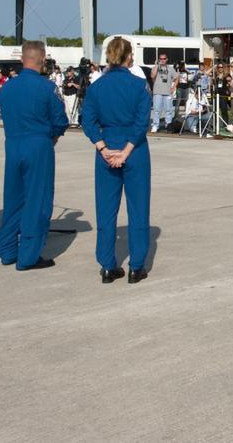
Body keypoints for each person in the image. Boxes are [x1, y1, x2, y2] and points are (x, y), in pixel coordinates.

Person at [82, 36, 153, 284]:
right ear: (128, 56)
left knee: (106, 210)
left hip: (107, 147)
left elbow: (87, 120)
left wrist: (103, 148)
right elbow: (142, 121)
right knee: (138, 208)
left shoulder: (96, 87)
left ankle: (107, 265)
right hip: (135, 150)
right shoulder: (138, 85)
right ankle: (136, 266)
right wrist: (126, 150)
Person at [0, 41, 69, 271]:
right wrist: (53, 137)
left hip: (13, 143)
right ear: (43, 58)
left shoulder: (8, 87)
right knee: (37, 200)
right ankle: (28, 256)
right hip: (38, 144)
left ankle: (7, 250)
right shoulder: (47, 87)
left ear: (22, 59)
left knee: (13, 199)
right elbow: (60, 120)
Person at [148, 53, 177, 133]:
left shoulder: (170, 68)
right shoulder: (155, 67)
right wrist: (157, 65)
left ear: (167, 59)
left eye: (164, 59)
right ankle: (155, 125)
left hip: (167, 92)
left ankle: (168, 125)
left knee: (168, 110)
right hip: (157, 92)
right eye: (161, 59)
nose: (162, 60)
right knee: (157, 110)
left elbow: (177, 78)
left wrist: (173, 87)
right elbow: (152, 76)